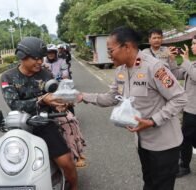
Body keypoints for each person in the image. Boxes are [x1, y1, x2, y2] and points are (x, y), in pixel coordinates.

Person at [77, 26, 187, 190]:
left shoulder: (154, 67)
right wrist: (83, 96)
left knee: (162, 186)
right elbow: (113, 97)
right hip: (143, 143)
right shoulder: (121, 70)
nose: (108, 54)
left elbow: (179, 97)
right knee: (148, 183)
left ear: (127, 47)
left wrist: (152, 121)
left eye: (110, 50)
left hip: (164, 144)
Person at [0, 37, 78, 190]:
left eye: (41, 58)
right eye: (35, 58)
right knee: (9, 165)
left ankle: (74, 186)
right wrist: (41, 100)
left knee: (66, 162)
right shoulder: (8, 77)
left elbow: (54, 96)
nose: (40, 62)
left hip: (45, 122)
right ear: (22, 57)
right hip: (19, 126)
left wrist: (62, 103)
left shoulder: (45, 74)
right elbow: (14, 104)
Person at [170, 35, 196, 178]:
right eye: (192, 43)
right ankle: (184, 164)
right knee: (187, 137)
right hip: (189, 108)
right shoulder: (194, 63)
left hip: (194, 111)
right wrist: (173, 60)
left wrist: (186, 61)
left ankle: (184, 166)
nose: (192, 46)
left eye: (194, 44)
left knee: (185, 138)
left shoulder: (191, 64)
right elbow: (177, 74)